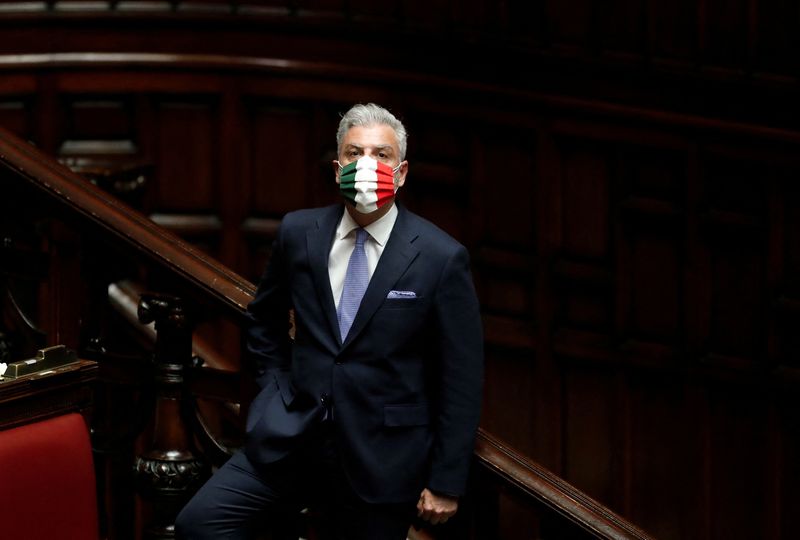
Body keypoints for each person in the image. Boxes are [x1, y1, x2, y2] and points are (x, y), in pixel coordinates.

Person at [175, 103, 484, 539]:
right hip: (293, 439)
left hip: (382, 458)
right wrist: (274, 390)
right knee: (200, 524)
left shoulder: (440, 256)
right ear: (338, 166)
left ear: (401, 171)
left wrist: (446, 481)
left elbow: (462, 375)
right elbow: (263, 319)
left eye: (382, 154)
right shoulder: (300, 233)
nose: (367, 165)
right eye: (355, 153)